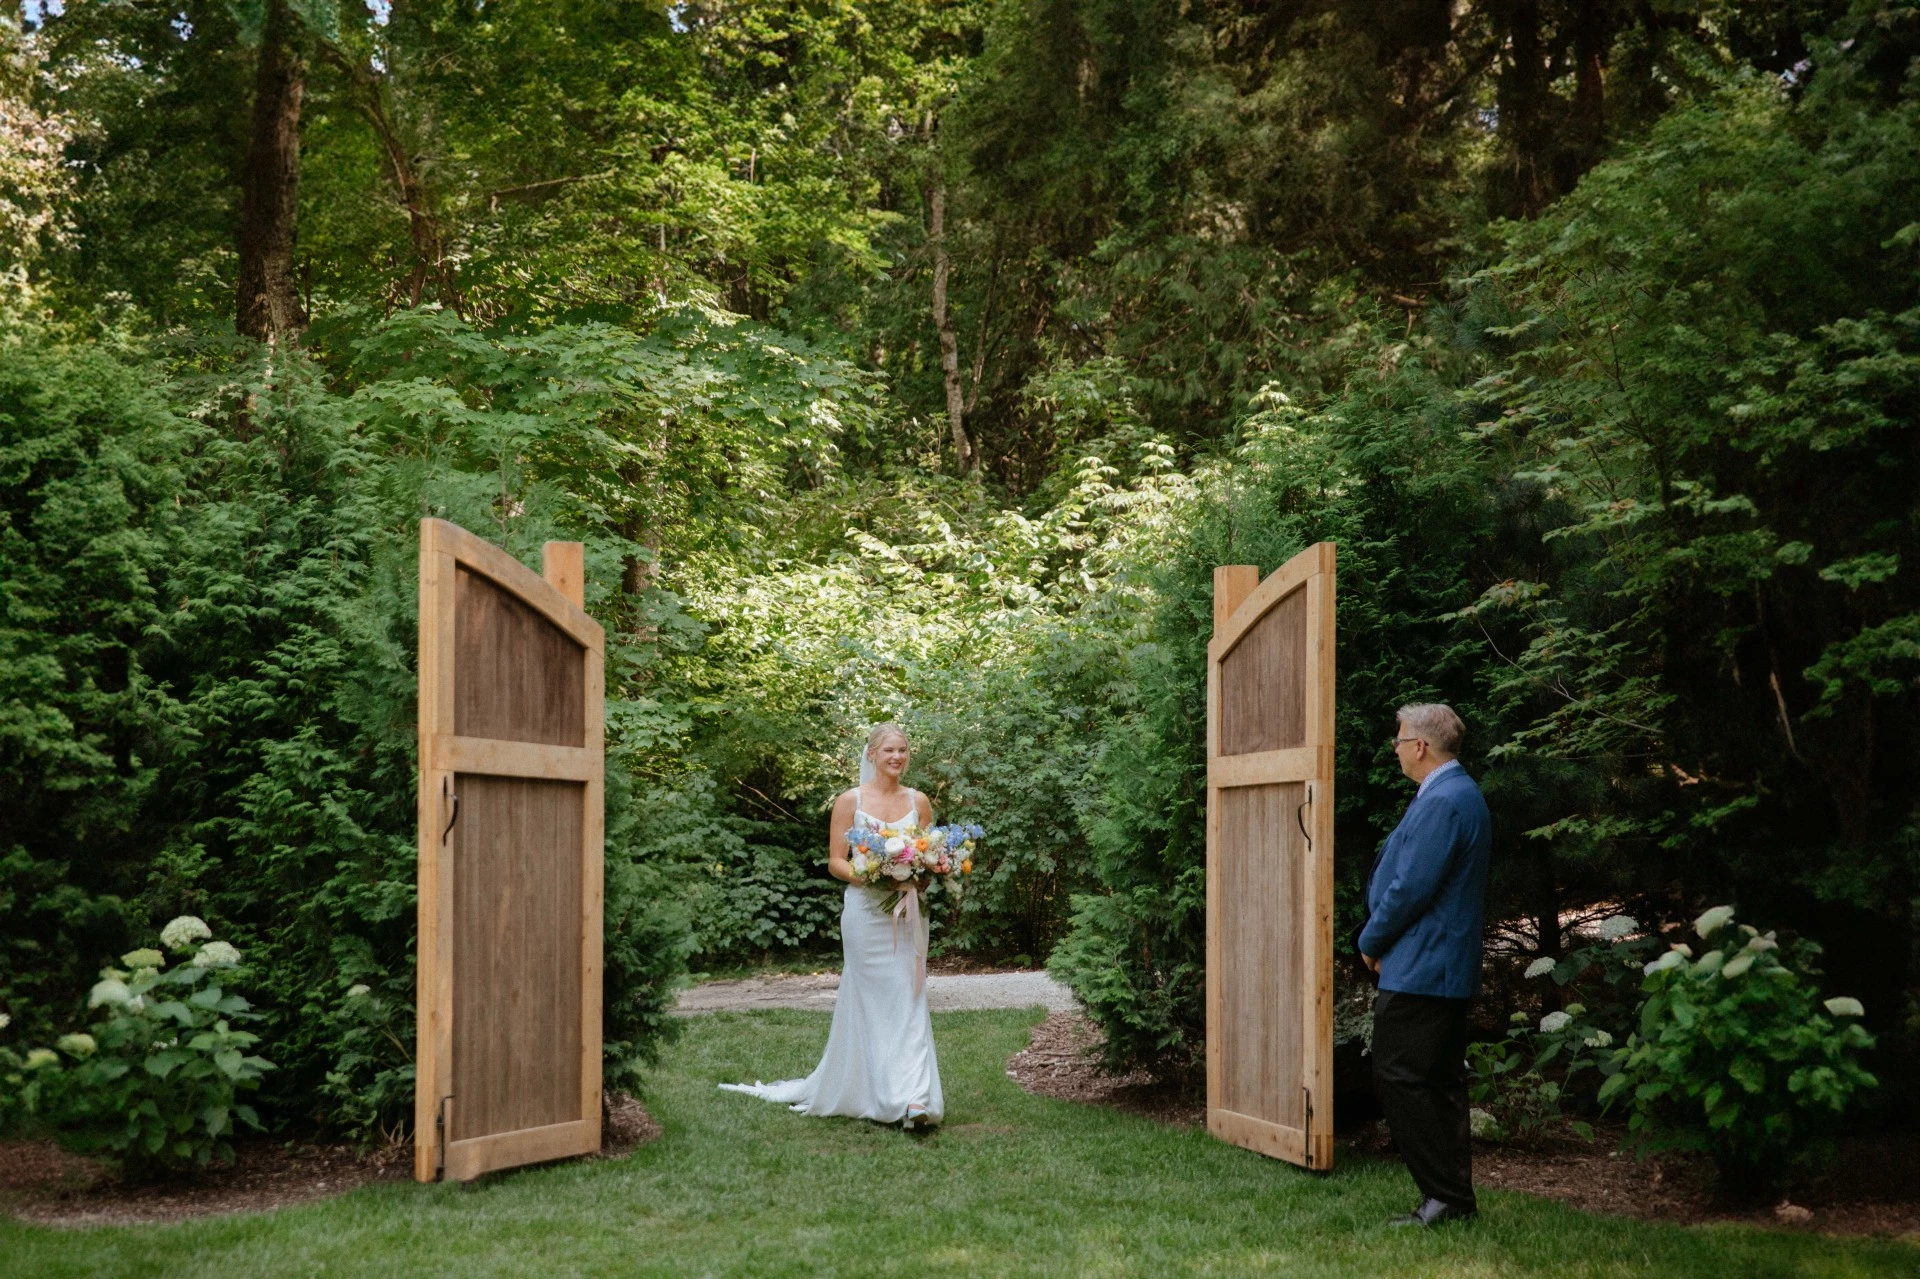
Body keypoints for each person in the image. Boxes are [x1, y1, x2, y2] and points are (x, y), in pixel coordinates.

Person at [720, 723, 945, 1129]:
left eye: (903, 750)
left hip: (908, 910)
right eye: (889, 750)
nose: (897, 757)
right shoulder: (850, 801)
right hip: (865, 914)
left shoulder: (919, 801)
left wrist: (925, 872)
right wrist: (875, 876)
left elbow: (929, 852)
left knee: (909, 996)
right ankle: (873, 1088)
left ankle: (914, 1099)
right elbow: (836, 862)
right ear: (872, 754)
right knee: (872, 999)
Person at [1358, 702, 1492, 1228]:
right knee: (1435, 1082)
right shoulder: (1454, 794)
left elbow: (1411, 887)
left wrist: (1371, 940)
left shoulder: (1446, 801)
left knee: (1401, 1077)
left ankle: (1443, 1198)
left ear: (1420, 746)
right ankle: (1452, 1199)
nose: (1394, 747)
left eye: (1398, 738)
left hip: (1425, 966)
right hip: (1434, 965)